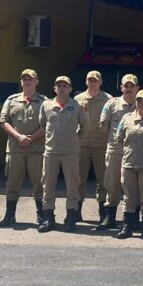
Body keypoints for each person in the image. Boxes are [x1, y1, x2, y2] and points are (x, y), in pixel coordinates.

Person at [37, 76, 88, 232]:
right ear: (54, 89)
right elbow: (43, 123)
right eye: (59, 86)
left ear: (70, 89)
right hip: (51, 151)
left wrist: (75, 141)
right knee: (48, 185)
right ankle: (48, 218)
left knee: (72, 185)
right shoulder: (46, 105)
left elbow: (85, 126)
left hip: (70, 152)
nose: (62, 88)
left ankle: (71, 218)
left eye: (65, 86)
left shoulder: (77, 106)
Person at [0, 69, 46, 227]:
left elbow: (49, 124)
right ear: (21, 82)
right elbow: (3, 121)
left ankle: (41, 215)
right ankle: (9, 215)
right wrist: (18, 137)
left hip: (36, 149)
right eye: (24, 79)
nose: (27, 81)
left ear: (36, 82)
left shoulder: (44, 101)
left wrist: (31, 138)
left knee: (39, 183)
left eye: (30, 79)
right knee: (12, 183)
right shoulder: (11, 100)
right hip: (15, 148)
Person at [113, 89, 143, 239]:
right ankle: (127, 227)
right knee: (129, 197)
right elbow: (119, 137)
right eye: (139, 100)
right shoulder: (126, 119)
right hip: (129, 164)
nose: (141, 103)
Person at [97, 74, 139, 231]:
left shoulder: (142, 103)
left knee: (133, 186)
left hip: (135, 152)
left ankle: (133, 218)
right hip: (115, 150)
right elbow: (103, 125)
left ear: (137, 88)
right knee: (112, 184)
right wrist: (115, 140)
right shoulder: (112, 104)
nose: (129, 89)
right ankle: (110, 218)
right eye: (126, 86)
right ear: (121, 87)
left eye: (132, 86)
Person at [76, 70, 110, 223]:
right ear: (86, 82)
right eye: (90, 80)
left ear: (100, 82)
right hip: (82, 144)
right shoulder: (77, 99)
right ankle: (76, 211)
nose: (92, 83)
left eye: (95, 80)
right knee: (79, 179)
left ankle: (103, 213)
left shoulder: (108, 100)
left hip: (101, 144)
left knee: (102, 180)